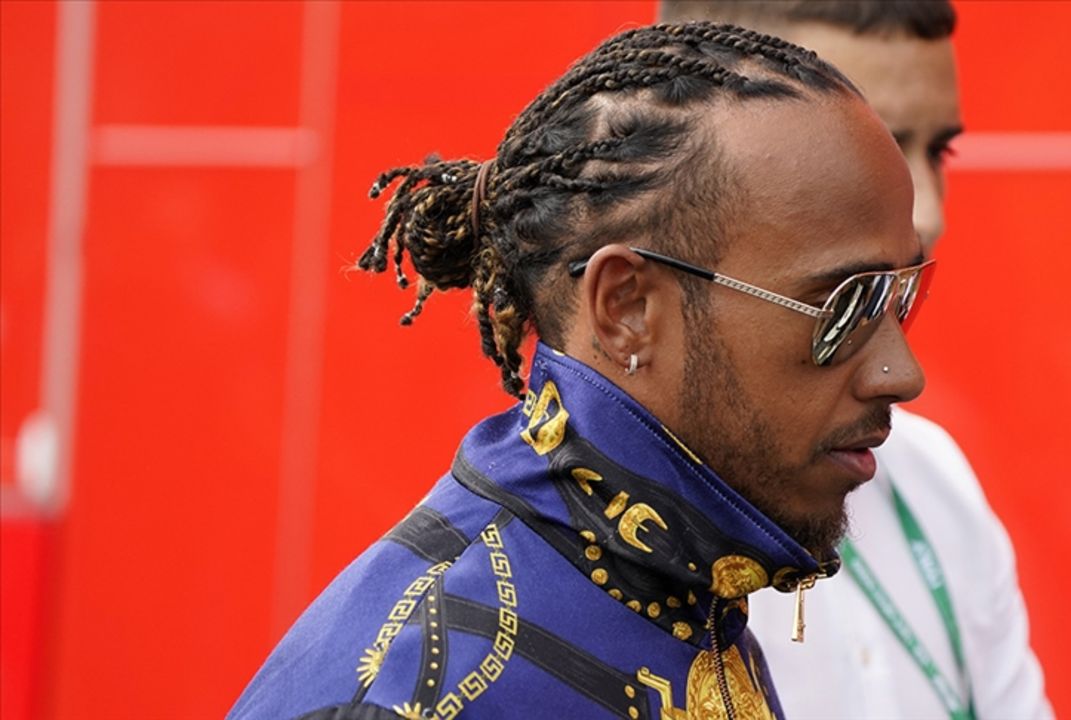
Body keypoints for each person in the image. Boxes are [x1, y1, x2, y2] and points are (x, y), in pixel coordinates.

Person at [231, 20, 936, 720]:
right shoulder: (417, 691)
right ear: (626, 307)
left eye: (902, 295)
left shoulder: (694, 598)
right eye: (847, 304)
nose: (901, 373)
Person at [658, 2, 1053, 719]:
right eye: (874, 149)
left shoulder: (934, 479)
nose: (928, 214)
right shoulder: (567, 555)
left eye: (938, 152)